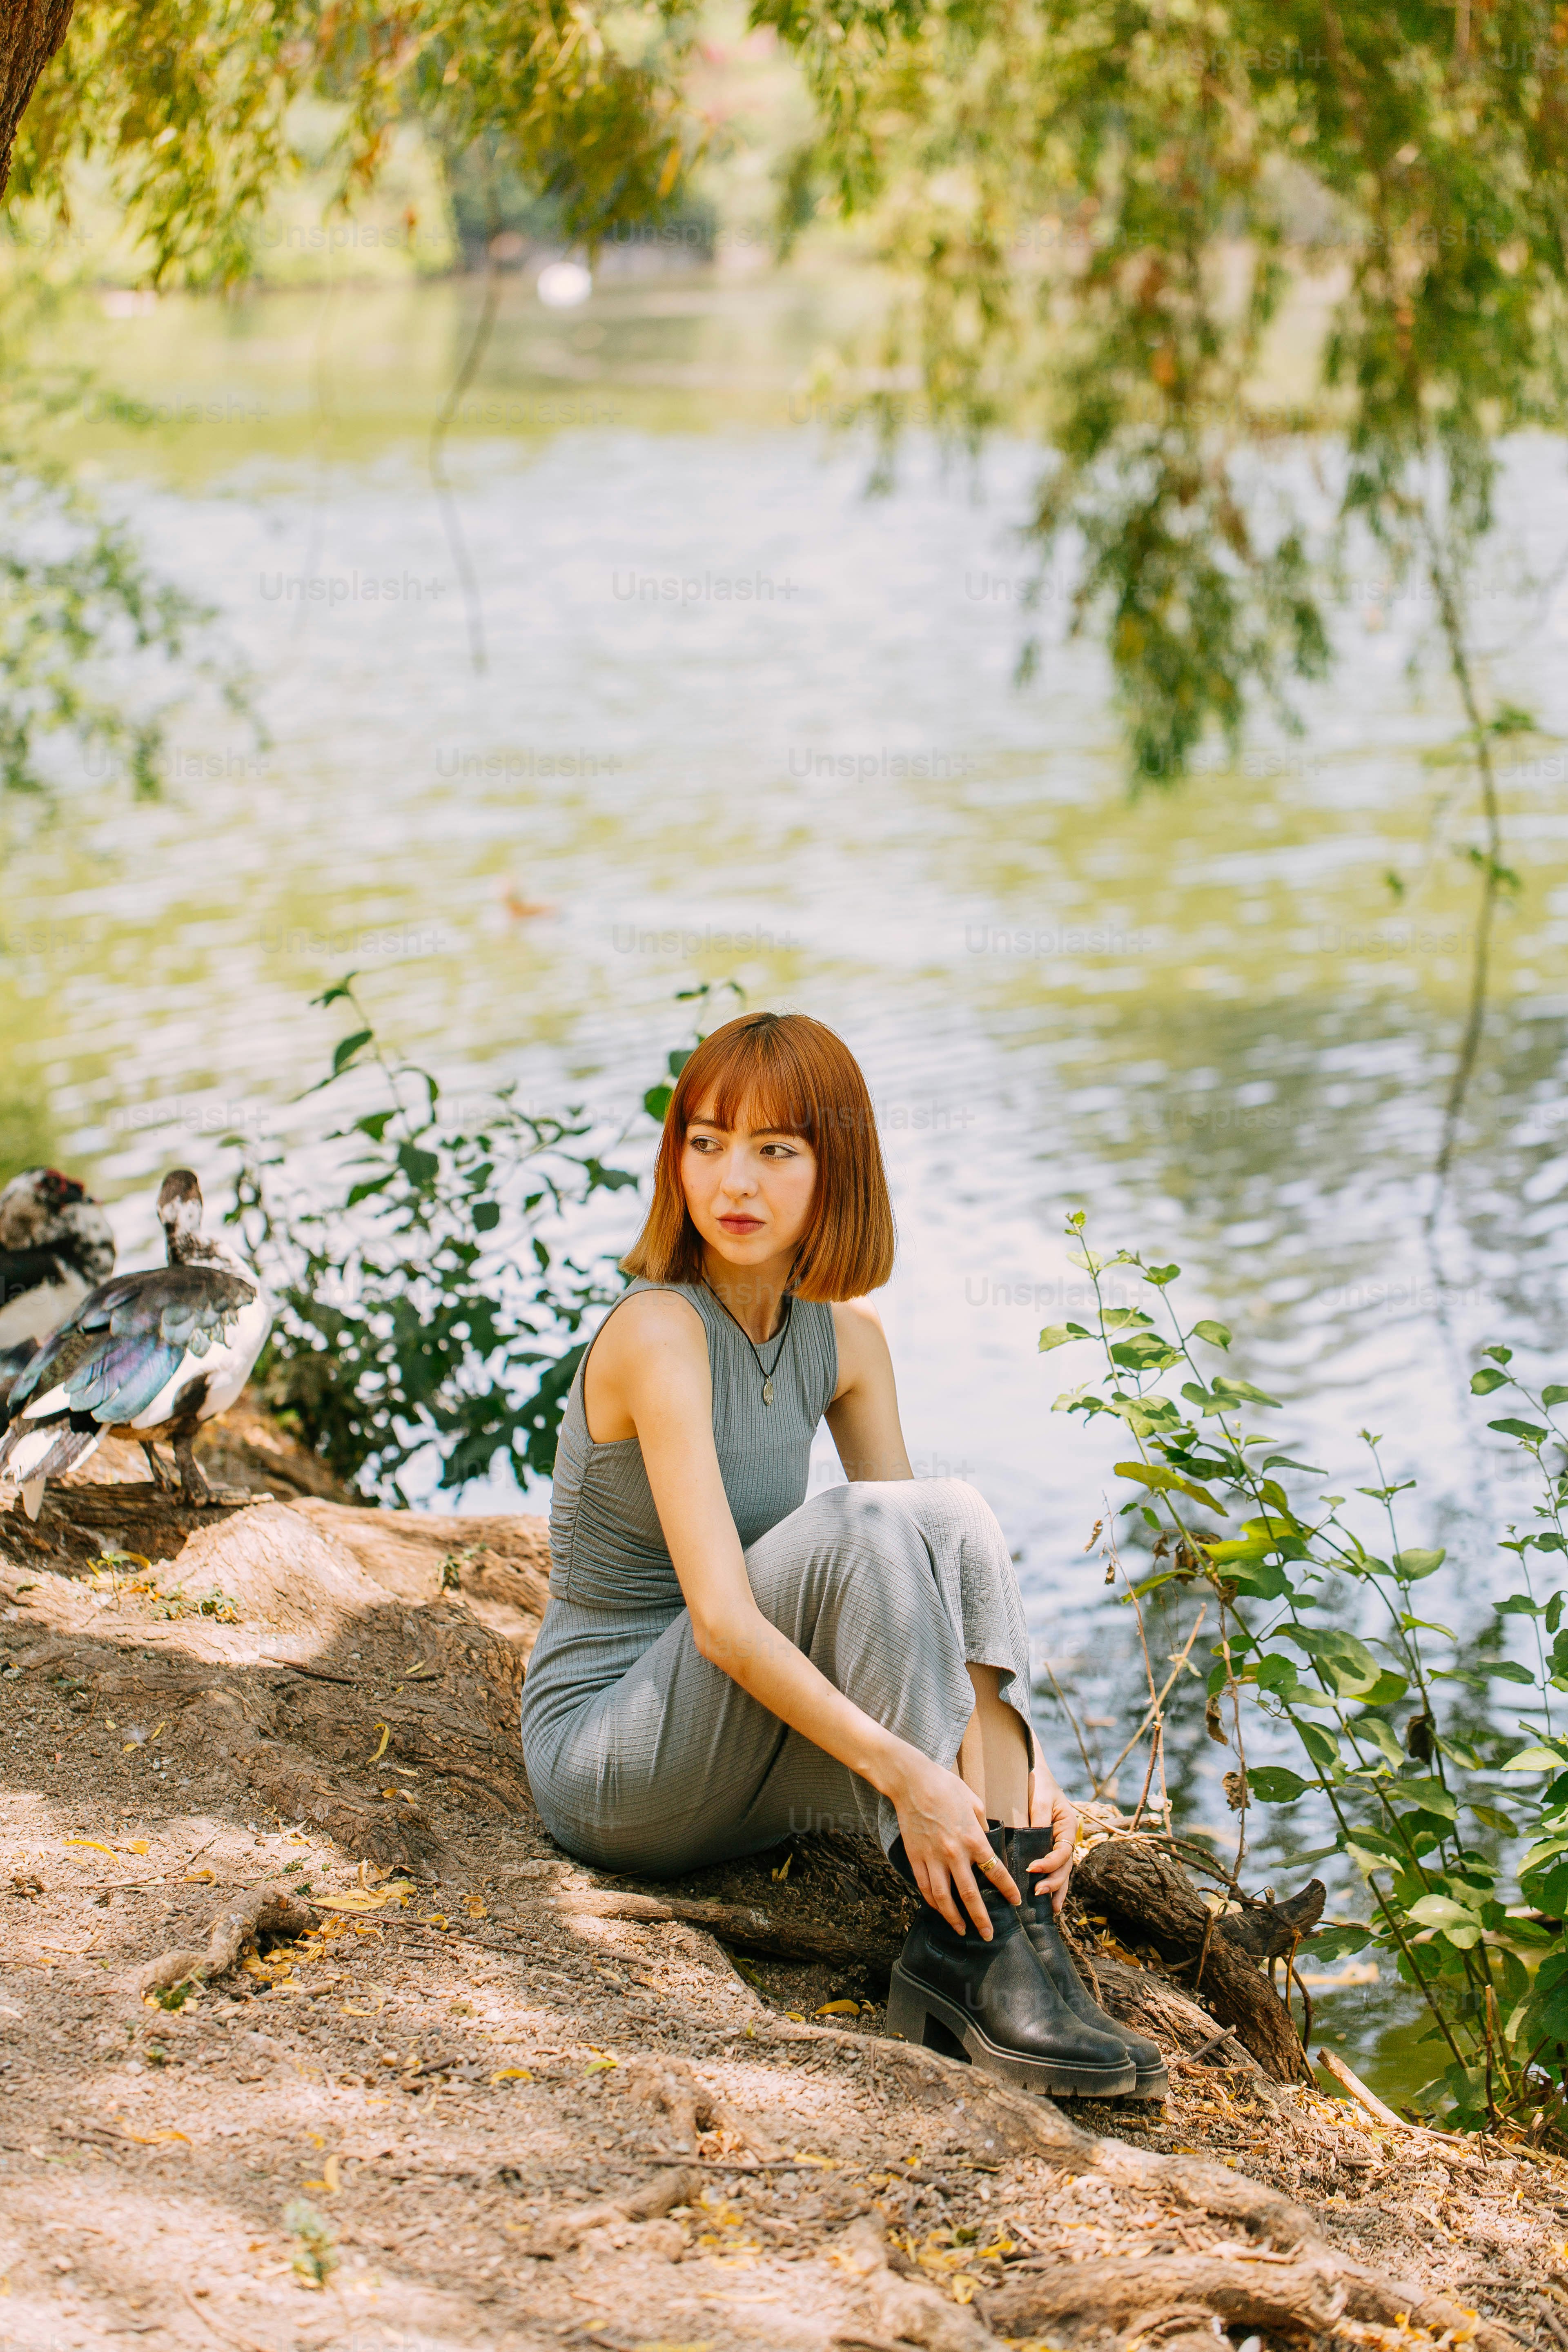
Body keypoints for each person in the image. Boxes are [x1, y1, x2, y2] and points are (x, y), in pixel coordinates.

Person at [520, 1011, 1164, 2099]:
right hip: (614, 1756)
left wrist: (1015, 1757)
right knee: (864, 1525)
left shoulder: (846, 1338)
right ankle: (977, 1943)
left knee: (946, 1511)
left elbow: (925, 1569)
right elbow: (724, 1620)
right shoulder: (657, 1335)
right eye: (709, 1141)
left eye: (778, 1150)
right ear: (677, 1156)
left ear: (836, 1171)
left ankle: (1007, 1934)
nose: (736, 1179)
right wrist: (913, 1770)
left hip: (739, 1753)